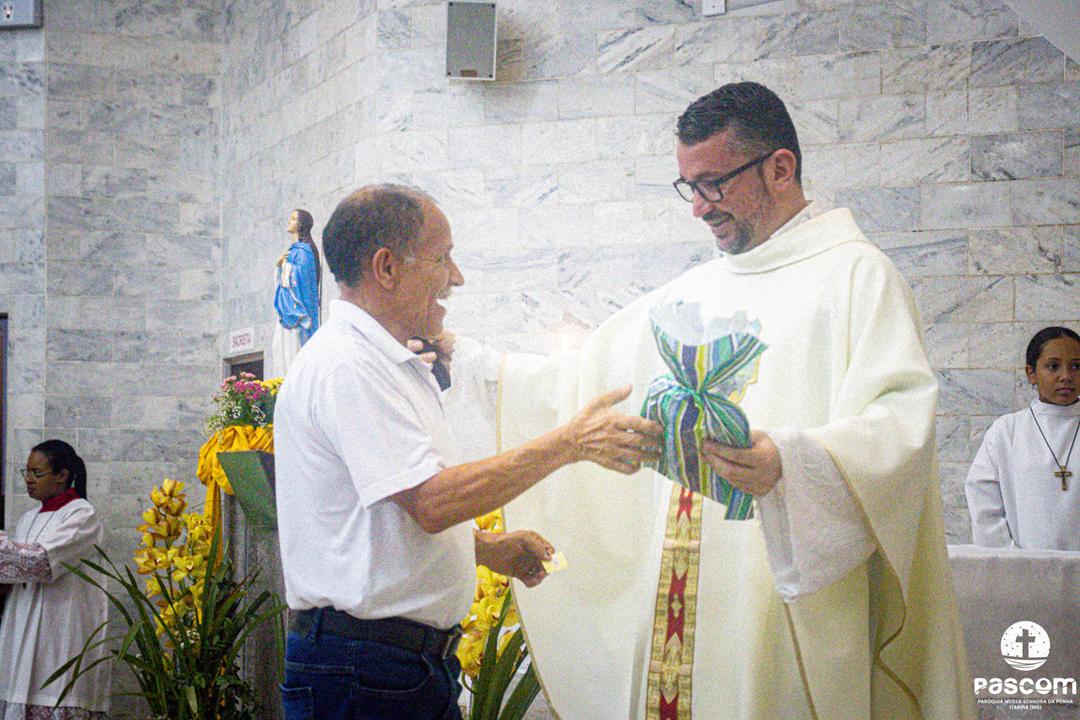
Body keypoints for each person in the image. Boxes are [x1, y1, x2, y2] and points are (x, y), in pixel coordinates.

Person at [450, 82, 975, 719]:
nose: (699, 208)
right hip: (677, 603)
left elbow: (900, 427)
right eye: (689, 187)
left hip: (781, 609)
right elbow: (585, 377)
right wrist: (473, 365)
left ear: (780, 168)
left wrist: (790, 461)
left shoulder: (857, 277)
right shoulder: (696, 290)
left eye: (713, 185)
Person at [272, 184, 662, 720]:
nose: (456, 278)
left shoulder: (382, 362)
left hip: (391, 666)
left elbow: (378, 520)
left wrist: (483, 548)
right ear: (386, 268)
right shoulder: (349, 366)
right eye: (442, 259)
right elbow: (431, 503)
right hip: (363, 670)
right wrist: (569, 442)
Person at [0, 440, 110, 720]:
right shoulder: (28, 518)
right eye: (26, 472)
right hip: (22, 627)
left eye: (37, 473)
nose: (28, 479)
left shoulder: (82, 514)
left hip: (59, 629)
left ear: (62, 475)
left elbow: (39, 562)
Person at [966, 326, 1080, 550]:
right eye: (1053, 366)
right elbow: (983, 502)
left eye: (1076, 366)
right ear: (1032, 373)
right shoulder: (1007, 431)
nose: (1066, 376)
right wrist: (1013, 560)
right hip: (1024, 565)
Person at [273, 208, 322, 374]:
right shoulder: (292, 251)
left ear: (301, 224)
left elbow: (303, 280)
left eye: (293, 219)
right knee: (279, 348)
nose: (289, 221)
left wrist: (286, 266)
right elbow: (282, 283)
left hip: (297, 312)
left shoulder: (304, 252)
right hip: (285, 308)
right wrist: (278, 267)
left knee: (293, 352)